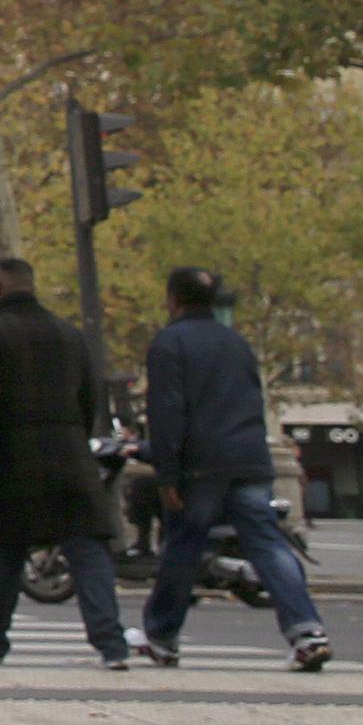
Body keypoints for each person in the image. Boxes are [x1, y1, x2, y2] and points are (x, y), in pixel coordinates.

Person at [139, 267, 331, 671]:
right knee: (267, 543)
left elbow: (167, 413)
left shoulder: (169, 343)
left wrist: (167, 473)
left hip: (199, 463)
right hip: (247, 456)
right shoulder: (237, 343)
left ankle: (162, 636)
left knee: (183, 548)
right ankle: (306, 630)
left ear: (172, 299)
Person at [0, 260, 127, 670]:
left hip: (16, 455)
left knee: (8, 548)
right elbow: (89, 398)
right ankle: (110, 642)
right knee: (87, 547)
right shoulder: (70, 334)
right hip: (70, 452)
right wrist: (77, 441)